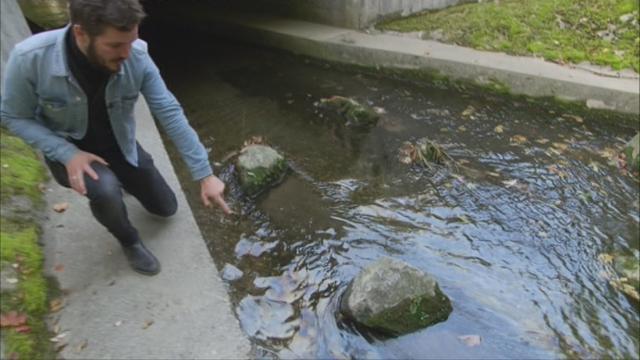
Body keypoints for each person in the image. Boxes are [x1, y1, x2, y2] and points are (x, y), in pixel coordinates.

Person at [0, 0, 231, 276]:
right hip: (70, 150)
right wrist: (66, 153)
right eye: (115, 46)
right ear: (81, 33)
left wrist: (204, 174)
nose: (126, 53)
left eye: (131, 42)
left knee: (166, 208)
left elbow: (168, 111)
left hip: (120, 144)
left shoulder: (137, 56)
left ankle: (125, 179)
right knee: (106, 190)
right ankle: (129, 239)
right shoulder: (29, 58)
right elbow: (14, 116)